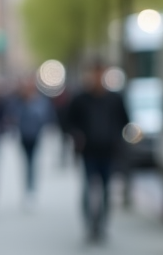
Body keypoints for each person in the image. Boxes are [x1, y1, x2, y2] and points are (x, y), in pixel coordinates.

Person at [67, 64, 130, 242]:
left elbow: (124, 121)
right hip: (88, 151)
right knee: (88, 188)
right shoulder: (80, 99)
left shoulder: (114, 99)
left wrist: (118, 139)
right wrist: (77, 136)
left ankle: (101, 225)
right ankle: (89, 224)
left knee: (106, 190)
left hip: (109, 151)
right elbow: (69, 122)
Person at [11, 78, 53, 200]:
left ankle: (31, 188)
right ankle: (28, 187)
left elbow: (45, 116)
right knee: (26, 162)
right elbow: (13, 116)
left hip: (36, 135)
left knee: (33, 162)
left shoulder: (40, 101)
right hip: (23, 135)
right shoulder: (19, 101)